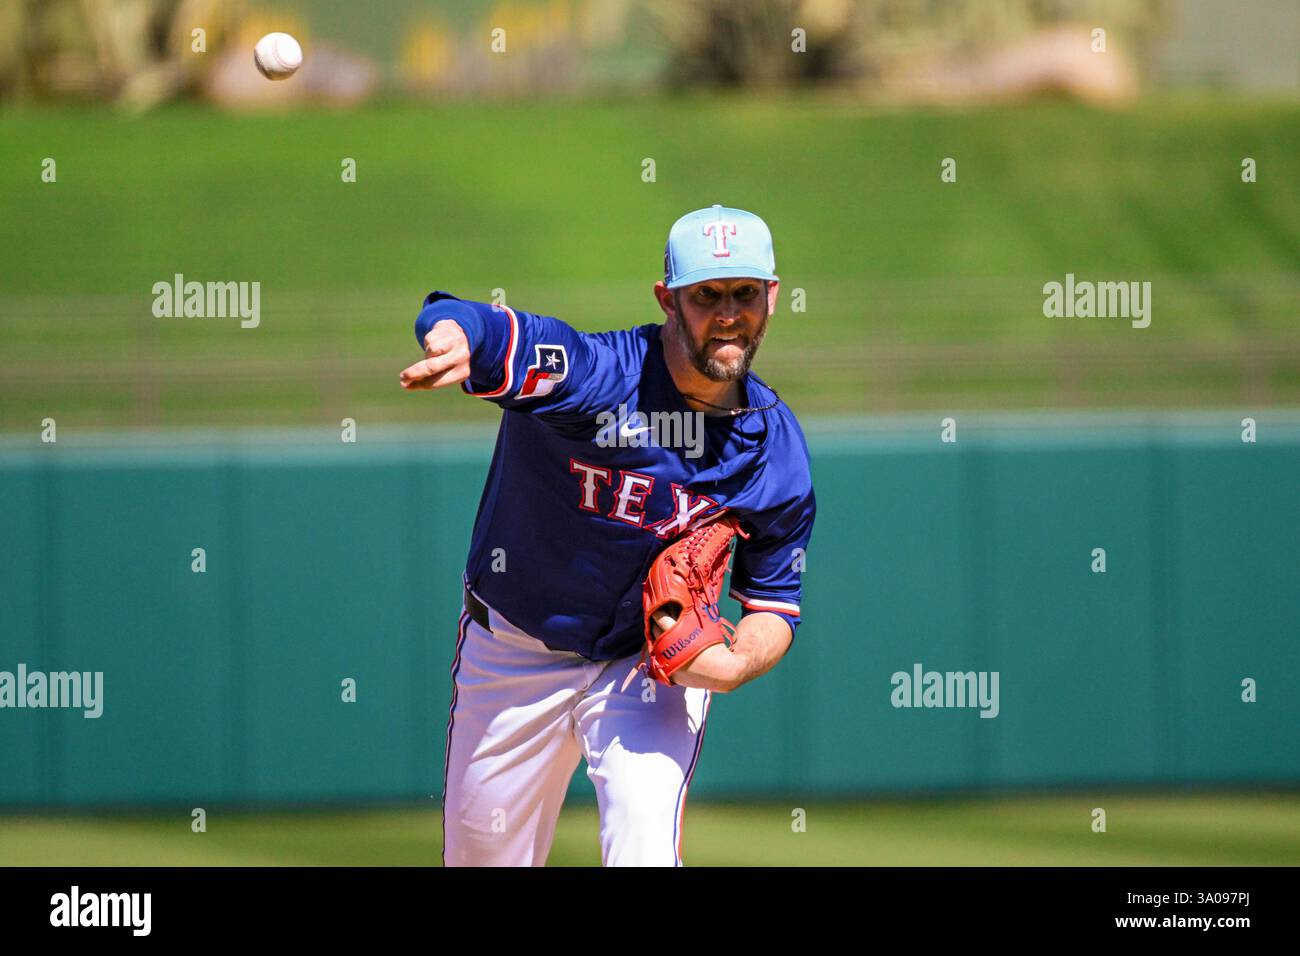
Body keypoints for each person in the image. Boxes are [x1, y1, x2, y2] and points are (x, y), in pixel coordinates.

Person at [399, 204, 816, 866]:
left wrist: (738, 664)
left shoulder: (773, 451)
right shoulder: (598, 378)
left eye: (743, 293)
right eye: (706, 295)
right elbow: (484, 325)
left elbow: (773, 603)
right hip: (513, 651)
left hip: (641, 667)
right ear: (668, 300)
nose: (728, 313)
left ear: (773, 297)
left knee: (643, 851)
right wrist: (453, 334)